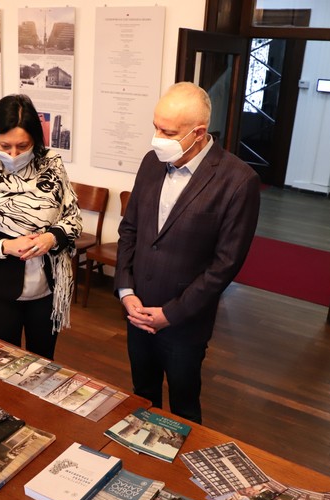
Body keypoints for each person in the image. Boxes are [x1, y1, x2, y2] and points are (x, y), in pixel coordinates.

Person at [114, 82, 261, 424]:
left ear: (198, 133)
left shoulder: (238, 181)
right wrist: (126, 290)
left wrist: (171, 313)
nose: (157, 138)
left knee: (184, 407)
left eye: (167, 132)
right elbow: (130, 229)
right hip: (137, 311)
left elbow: (224, 265)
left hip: (184, 322)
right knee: (142, 396)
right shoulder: (152, 162)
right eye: (155, 127)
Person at [0, 94, 81, 360]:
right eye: (5, 145)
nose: (13, 154)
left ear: (36, 140)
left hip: (49, 288)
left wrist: (52, 238)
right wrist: (5, 246)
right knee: (3, 362)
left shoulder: (51, 164)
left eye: (23, 146)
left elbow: (72, 217)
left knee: (43, 361)